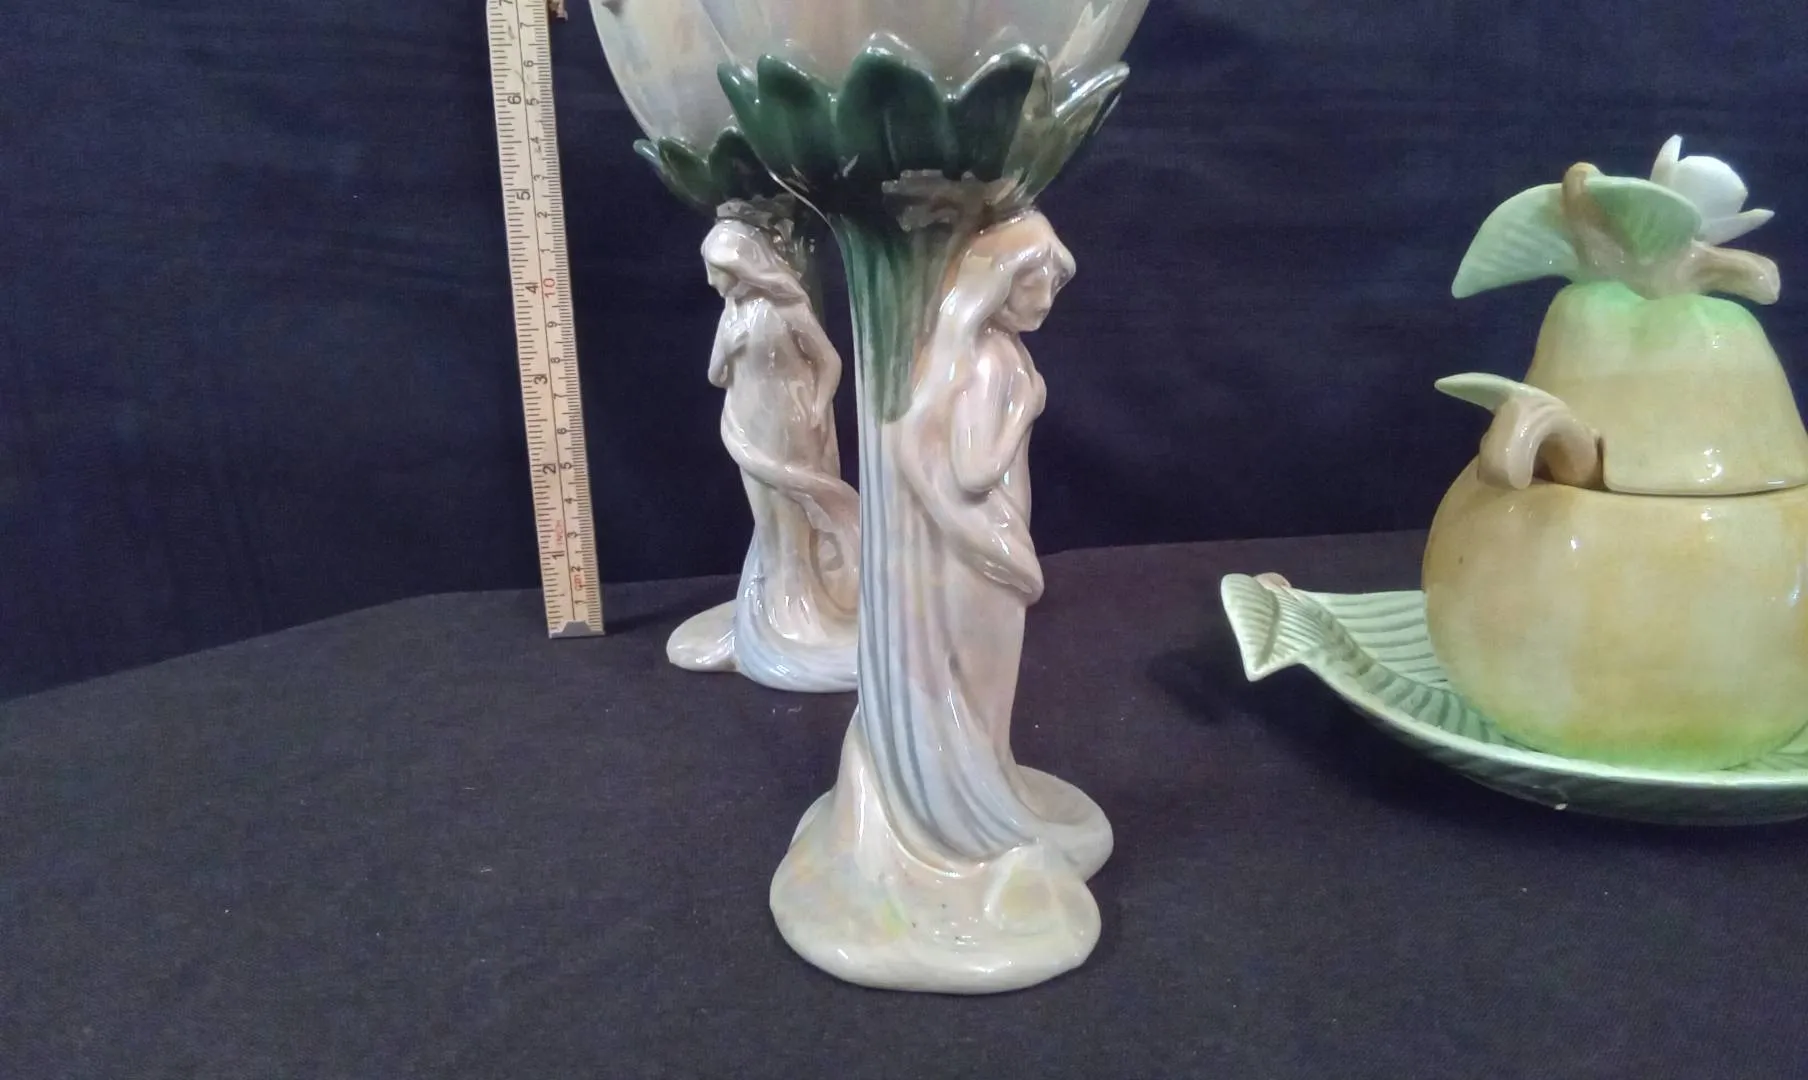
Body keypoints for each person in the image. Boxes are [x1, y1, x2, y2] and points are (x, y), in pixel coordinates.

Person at [664, 212, 859, 693]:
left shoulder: (789, 310)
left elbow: (829, 362)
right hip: (749, 419)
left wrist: (818, 406)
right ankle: (782, 601)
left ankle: (810, 604)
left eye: (718, 271)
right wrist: (729, 347)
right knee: (768, 513)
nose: (711, 281)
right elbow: (715, 376)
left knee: (797, 506)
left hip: (790, 420)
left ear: (743, 268)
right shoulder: (732, 316)